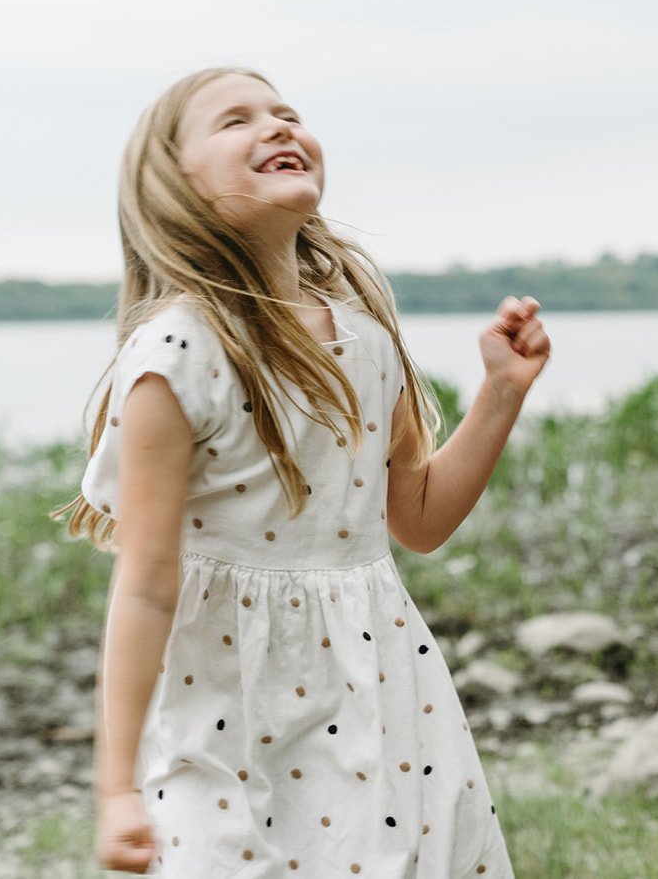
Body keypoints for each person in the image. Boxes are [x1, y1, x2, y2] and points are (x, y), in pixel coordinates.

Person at [61, 67, 548, 876]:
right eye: (236, 120)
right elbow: (144, 586)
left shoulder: (364, 338)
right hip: (225, 704)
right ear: (173, 182)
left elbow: (421, 518)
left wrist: (500, 394)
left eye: (286, 113)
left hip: (378, 681)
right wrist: (116, 789)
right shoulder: (178, 353)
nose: (278, 126)